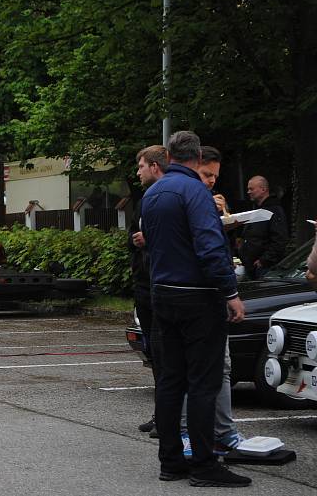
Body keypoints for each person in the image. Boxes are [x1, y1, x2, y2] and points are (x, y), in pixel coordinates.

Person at [142, 131, 250, 487]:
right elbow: (209, 245)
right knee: (203, 383)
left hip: (163, 294)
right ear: (197, 156)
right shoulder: (196, 193)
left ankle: (170, 461)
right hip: (197, 295)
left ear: (170, 156)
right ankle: (205, 465)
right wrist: (229, 291)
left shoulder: (153, 193)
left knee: (171, 381)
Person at [178, 145, 244, 455]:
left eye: (215, 178)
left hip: (208, 293)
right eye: (206, 175)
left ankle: (221, 431)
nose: (210, 182)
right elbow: (203, 250)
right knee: (198, 368)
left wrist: (225, 220)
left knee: (221, 367)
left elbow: (221, 249)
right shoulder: (188, 200)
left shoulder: (203, 202)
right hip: (198, 296)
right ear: (194, 167)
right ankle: (193, 434)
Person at [129, 145, 167, 435]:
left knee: (167, 352)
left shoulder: (168, 197)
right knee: (155, 352)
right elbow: (131, 238)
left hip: (163, 283)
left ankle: (169, 417)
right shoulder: (144, 199)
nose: (138, 171)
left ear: (155, 166)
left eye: (141, 166)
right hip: (145, 282)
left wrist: (150, 239)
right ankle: (161, 413)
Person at [238, 175, 288, 279]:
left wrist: (264, 261)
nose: (248, 192)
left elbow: (280, 240)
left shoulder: (274, 211)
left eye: (251, 189)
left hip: (264, 269)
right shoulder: (257, 210)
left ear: (263, 189)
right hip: (252, 267)